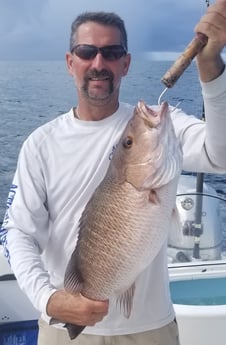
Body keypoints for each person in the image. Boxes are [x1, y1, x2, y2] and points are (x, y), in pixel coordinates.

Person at [1, 2, 226, 344]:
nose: (98, 63)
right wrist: (49, 299)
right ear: (69, 62)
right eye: (86, 51)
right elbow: (18, 231)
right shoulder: (40, 144)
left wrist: (210, 66)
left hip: (150, 329)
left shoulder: (159, 130)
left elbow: (220, 154)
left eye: (111, 52)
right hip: (65, 328)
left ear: (126, 63)